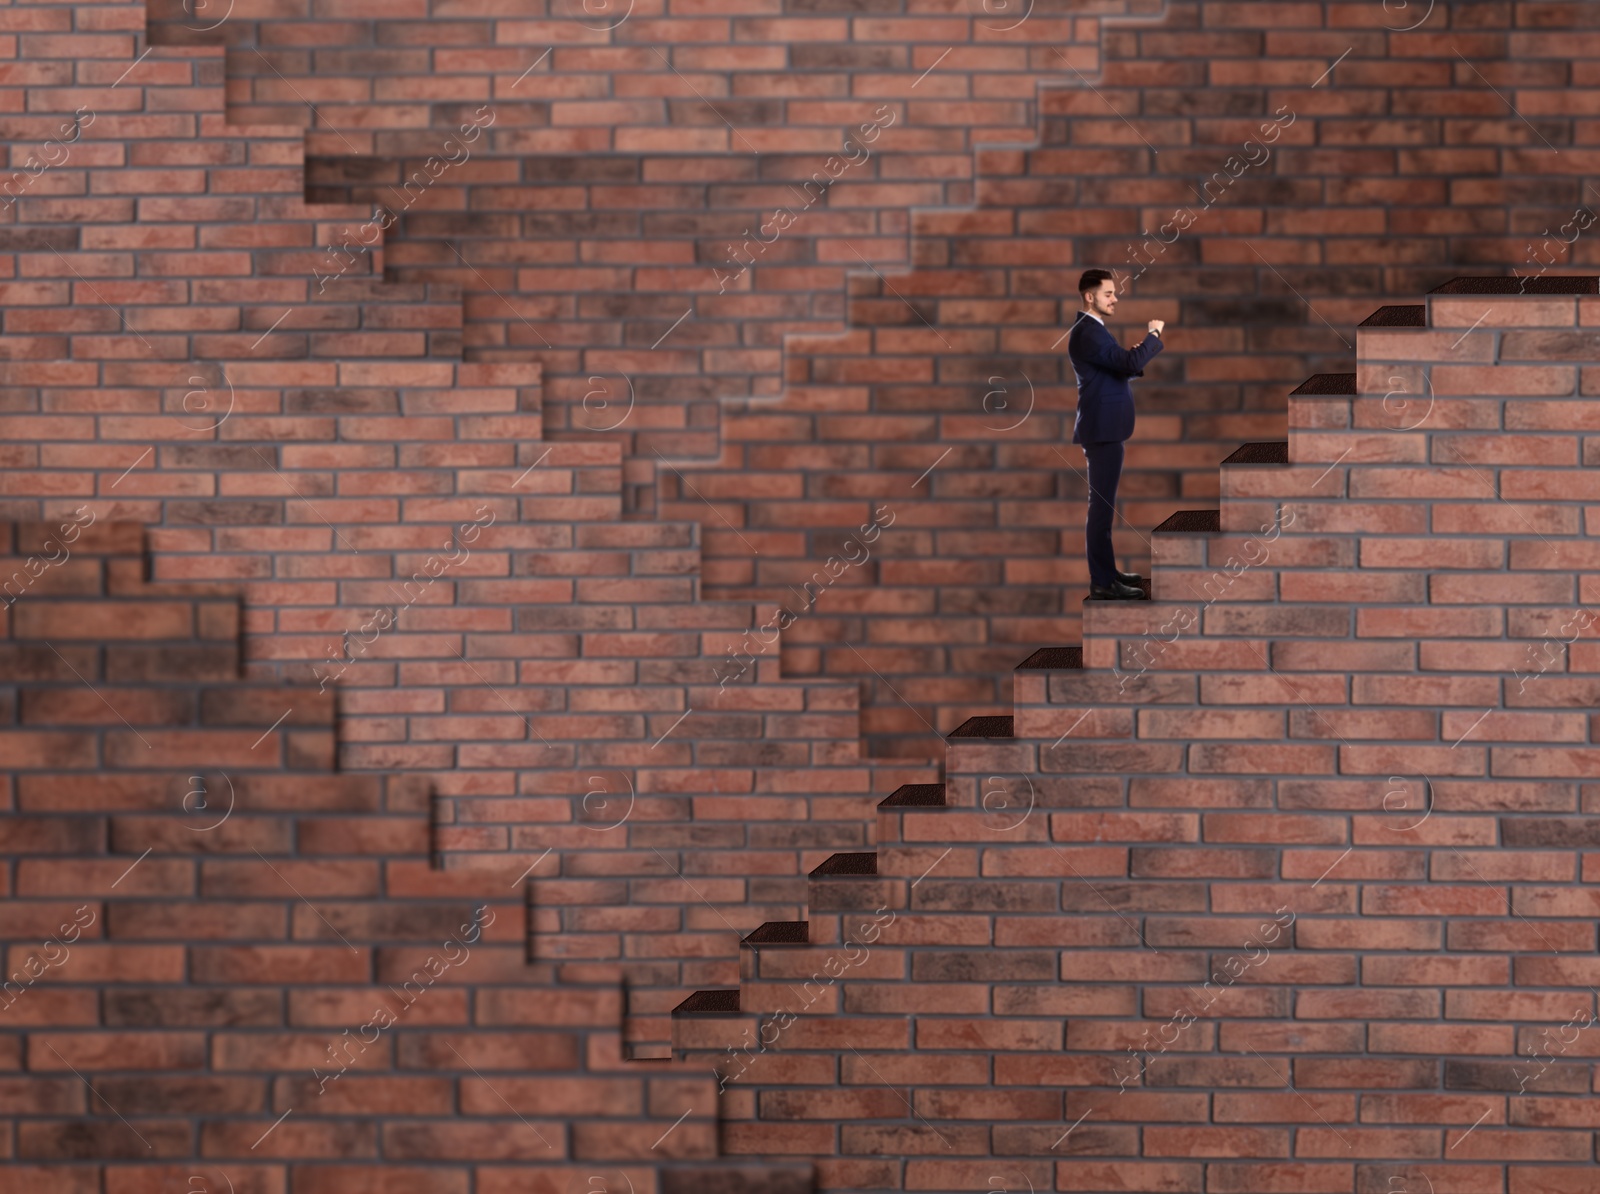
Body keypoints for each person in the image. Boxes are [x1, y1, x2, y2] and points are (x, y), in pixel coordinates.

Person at [1067, 268, 1164, 600]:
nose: (1115, 298)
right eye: (1108, 293)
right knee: (1102, 510)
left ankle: (1107, 573)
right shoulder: (1089, 332)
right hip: (1102, 430)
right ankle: (1103, 582)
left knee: (1103, 508)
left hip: (1105, 428)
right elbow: (1124, 362)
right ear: (1089, 297)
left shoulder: (1092, 331)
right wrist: (1153, 336)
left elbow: (1118, 366)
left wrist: (1131, 361)